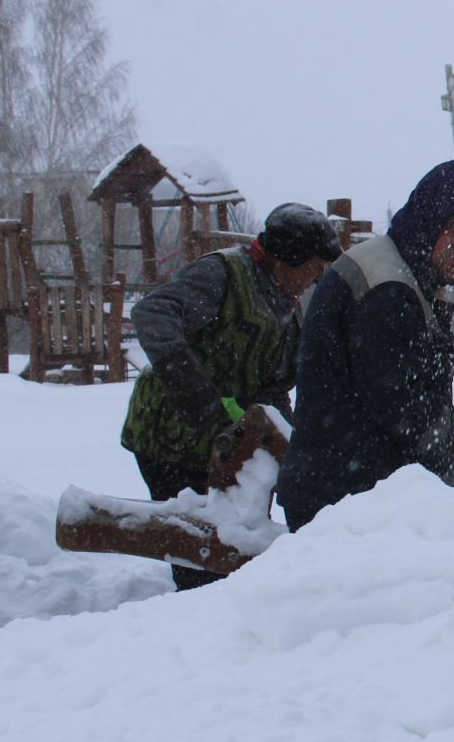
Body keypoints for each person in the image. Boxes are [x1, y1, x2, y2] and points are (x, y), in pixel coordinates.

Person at [120, 202, 341, 589]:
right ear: (285, 257)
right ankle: (186, 626)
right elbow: (153, 316)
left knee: (231, 545)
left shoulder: (287, 308)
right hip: (170, 437)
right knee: (198, 552)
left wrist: (290, 445)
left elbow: (274, 389)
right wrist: (203, 402)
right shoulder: (221, 275)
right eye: (313, 266)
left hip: (226, 444)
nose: (315, 278)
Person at [277, 161, 454, 531]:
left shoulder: (416, 278)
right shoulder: (387, 287)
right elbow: (402, 408)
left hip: (364, 491)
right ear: (432, 220)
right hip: (339, 503)